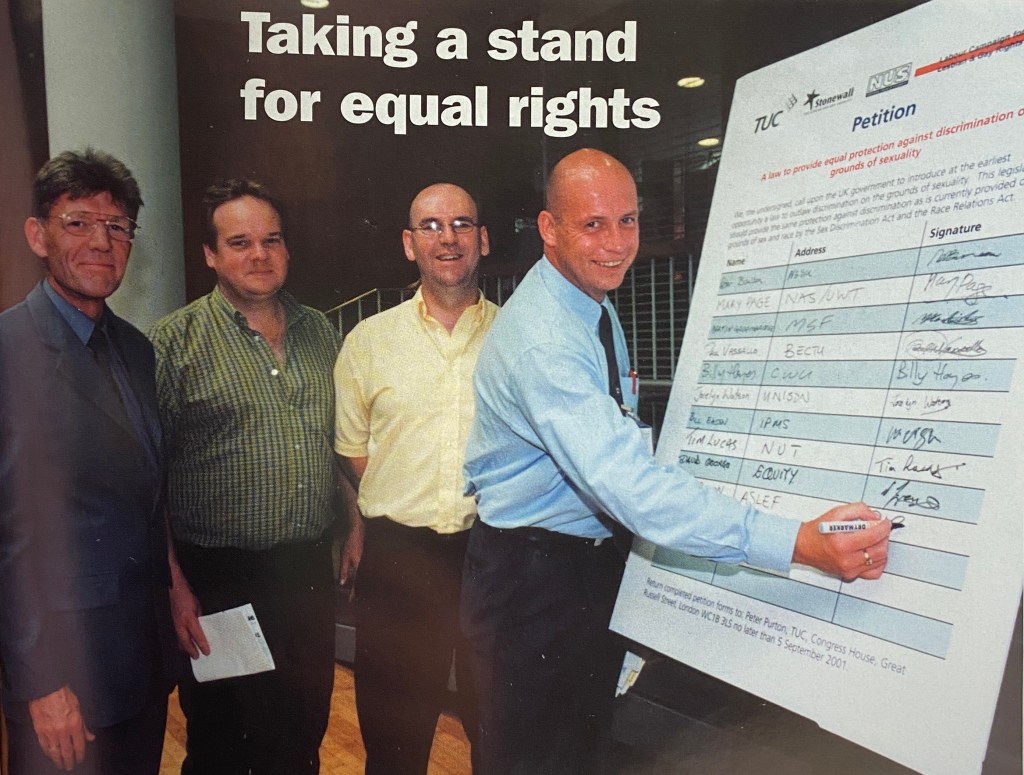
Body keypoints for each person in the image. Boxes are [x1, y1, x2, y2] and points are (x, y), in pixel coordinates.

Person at [460, 148, 893, 774]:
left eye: (628, 220)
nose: (616, 244)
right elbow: (627, 486)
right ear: (548, 229)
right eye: (592, 225)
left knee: (577, 751)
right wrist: (796, 542)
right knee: (531, 760)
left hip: (569, 569)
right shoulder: (544, 339)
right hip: (533, 583)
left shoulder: (586, 301)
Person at [149, 179, 341, 775]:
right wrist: (175, 586)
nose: (260, 255)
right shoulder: (172, 344)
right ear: (210, 254)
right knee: (222, 747)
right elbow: (147, 485)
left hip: (307, 574)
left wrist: (354, 524)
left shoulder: (321, 333)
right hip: (219, 580)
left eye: (272, 240)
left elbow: (336, 445)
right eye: (240, 243)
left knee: (302, 738)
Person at [0, 149, 179, 774]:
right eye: (78, 223)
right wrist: (41, 685)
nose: (102, 242)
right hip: (65, 680)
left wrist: (175, 592)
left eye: (118, 226)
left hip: (141, 663)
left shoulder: (135, 349)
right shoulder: (9, 351)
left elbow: (142, 498)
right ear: (37, 236)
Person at [334, 183, 494, 774]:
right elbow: (353, 451)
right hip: (400, 564)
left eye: (461, 224)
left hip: (493, 559)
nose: (447, 238)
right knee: (394, 745)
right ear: (409, 243)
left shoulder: (517, 338)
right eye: (430, 226)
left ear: (482, 239)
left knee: (498, 734)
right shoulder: (368, 342)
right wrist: (407, 495)